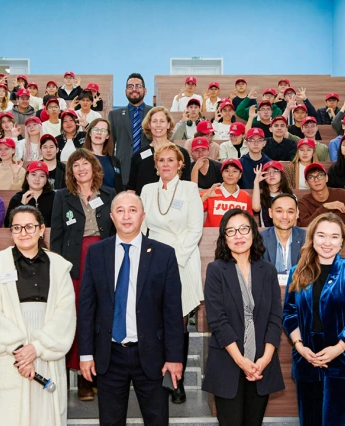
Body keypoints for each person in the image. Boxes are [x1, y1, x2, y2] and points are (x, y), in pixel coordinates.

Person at [77, 191, 184, 425]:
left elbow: (173, 311)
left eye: (133, 210)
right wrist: (85, 354)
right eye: (120, 211)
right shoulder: (96, 253)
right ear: (111, 217)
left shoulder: (164, 254)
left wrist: (174, 356)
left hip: (152, 355)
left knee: (157, 420)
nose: (127, 216)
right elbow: (86, 307)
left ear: (143, 216)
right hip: (109, 355)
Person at [0, 205, 75, 426]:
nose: (24, 233)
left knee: (46, 414)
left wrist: (37, 348)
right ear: (10, 232)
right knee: (10, 415)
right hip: (10, 352)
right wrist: (20, 351)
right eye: (17, 227)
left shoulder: (59, 266)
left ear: (42, 230)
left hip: (47, 346)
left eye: (30, 227)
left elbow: (65, 312)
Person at [283, 213, 345, 426]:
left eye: (334, 237)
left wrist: (337, 349)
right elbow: (289, 313)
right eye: (321, 235)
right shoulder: (298, 272)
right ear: (312, 238)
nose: (327, 242)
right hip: (307, 360)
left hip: (344, 361)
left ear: (342, 241)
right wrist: (299, 346)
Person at [203, 208, 285, 426]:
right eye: (231, 231)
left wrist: (264, 359)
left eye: (243, 229)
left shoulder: (267, 270)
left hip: (261, 364)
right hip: (227, 362)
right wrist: (241, 361)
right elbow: (217, 321)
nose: (238, 235)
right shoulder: (216, 270)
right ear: (224, 238)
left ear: (253, 233)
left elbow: (275, 318)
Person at [50, 148, 116, 400]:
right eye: (75, 165)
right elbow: (56, 236)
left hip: (104, 259)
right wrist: (58, 268)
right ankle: (81, 375)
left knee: (105, 315)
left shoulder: (109, 194)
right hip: (74, 264)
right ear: (71, 172)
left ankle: (102, 371)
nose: (80, 168)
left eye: (84, 164)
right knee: (79, 317)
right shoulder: (62, 197)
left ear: (94, 167)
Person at [140, 143, 203, 404]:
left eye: (171, 160)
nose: (165, 164)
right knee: (154, 319)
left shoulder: (189, 189)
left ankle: (177, 381)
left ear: (180, 164)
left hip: (183, 257)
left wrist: (174, 259)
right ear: (156, 165)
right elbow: (141, 227)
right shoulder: (147, 189)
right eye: (161, 160)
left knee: (178, 319)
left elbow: (195, 228)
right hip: (152, 256)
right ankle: (158, 377)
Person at [127, 107, 191, 195]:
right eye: (154, 121)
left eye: (162, 121)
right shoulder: (138, 156)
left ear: (168, 124)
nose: (158, 125)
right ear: (149, 125)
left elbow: (187, 185)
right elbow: (131, 189)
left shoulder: (181, 153)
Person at [109, 73, 153, 184]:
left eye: (138, 86)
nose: (134, 89)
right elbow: (109, 144)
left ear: (145, 90)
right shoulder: (114, 115)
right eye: (130, 86)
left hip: (150, 169)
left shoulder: (155, 113)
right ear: (125, 91)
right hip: (123, 172)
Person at [298, 163, 345, 227]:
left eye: (320, 175)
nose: (316, 180)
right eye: (311, 177)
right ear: (306, 183)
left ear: (327, 178)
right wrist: (324, 207)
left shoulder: (343, 195)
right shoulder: (303, 203)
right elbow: (304, 226)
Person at [260, 193, 306, 274]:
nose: (285, 216)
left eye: (290, 212)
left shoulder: (306, 237)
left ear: (297, 214)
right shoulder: (260, 239)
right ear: (270, 213)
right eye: (279, 211)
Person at [200, 158, 253, 228]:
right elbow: (190, 210)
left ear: (240, 175)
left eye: (234, 171)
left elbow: (249, 222)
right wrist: (206, 196)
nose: (230, 174)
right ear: (222, 174)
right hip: (212, 235)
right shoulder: (211, 192)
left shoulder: (245, 196)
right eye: (226, 171)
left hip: (236, 236)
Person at [4, 161, 56, 228]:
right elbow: (8, 225)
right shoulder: (17, 198)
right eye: (33, 175)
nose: (37, 179)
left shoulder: (54, 197)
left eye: (42, 176)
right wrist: (22, 205)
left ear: (46, 180)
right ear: (27, 177)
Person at [83, 117, 124, 192]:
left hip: (110, 201)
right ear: (89, 133)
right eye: (95, 129)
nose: (99, 133)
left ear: (107, 136)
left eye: (103, 130)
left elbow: (119, 188)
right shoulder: (81, 157)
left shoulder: (115, 161)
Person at [252, 160, 293, 227]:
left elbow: (294, 220)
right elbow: (256, 208)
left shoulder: (290, 196)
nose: (271, 175)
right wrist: (256, 182)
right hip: (266, 234)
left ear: (282, 175)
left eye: (275, 171)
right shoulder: (262, 197)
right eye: (268, 172)